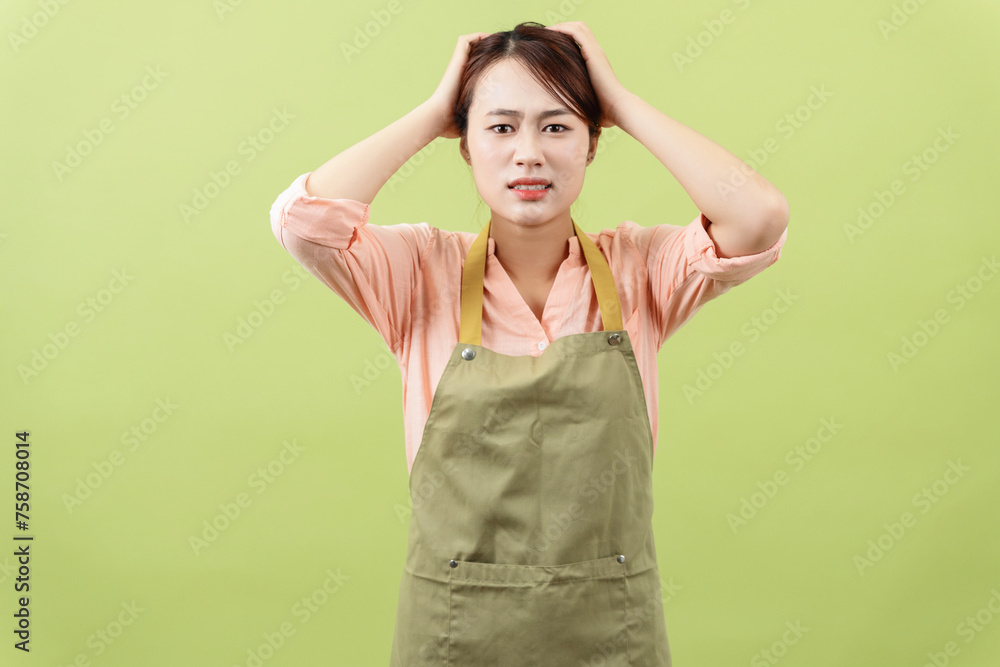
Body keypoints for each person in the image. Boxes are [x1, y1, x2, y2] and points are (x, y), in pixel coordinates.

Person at [269, 20, 787, 666]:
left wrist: (622, 102)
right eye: (501, 127)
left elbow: (759, 215)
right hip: (454, 634)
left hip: (611, 635)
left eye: (557, 126)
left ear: (592, 143)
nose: (529, 153)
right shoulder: (418, 272)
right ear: (465, 144)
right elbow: (303, 223)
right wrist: (432, 113)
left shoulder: (642, 270)